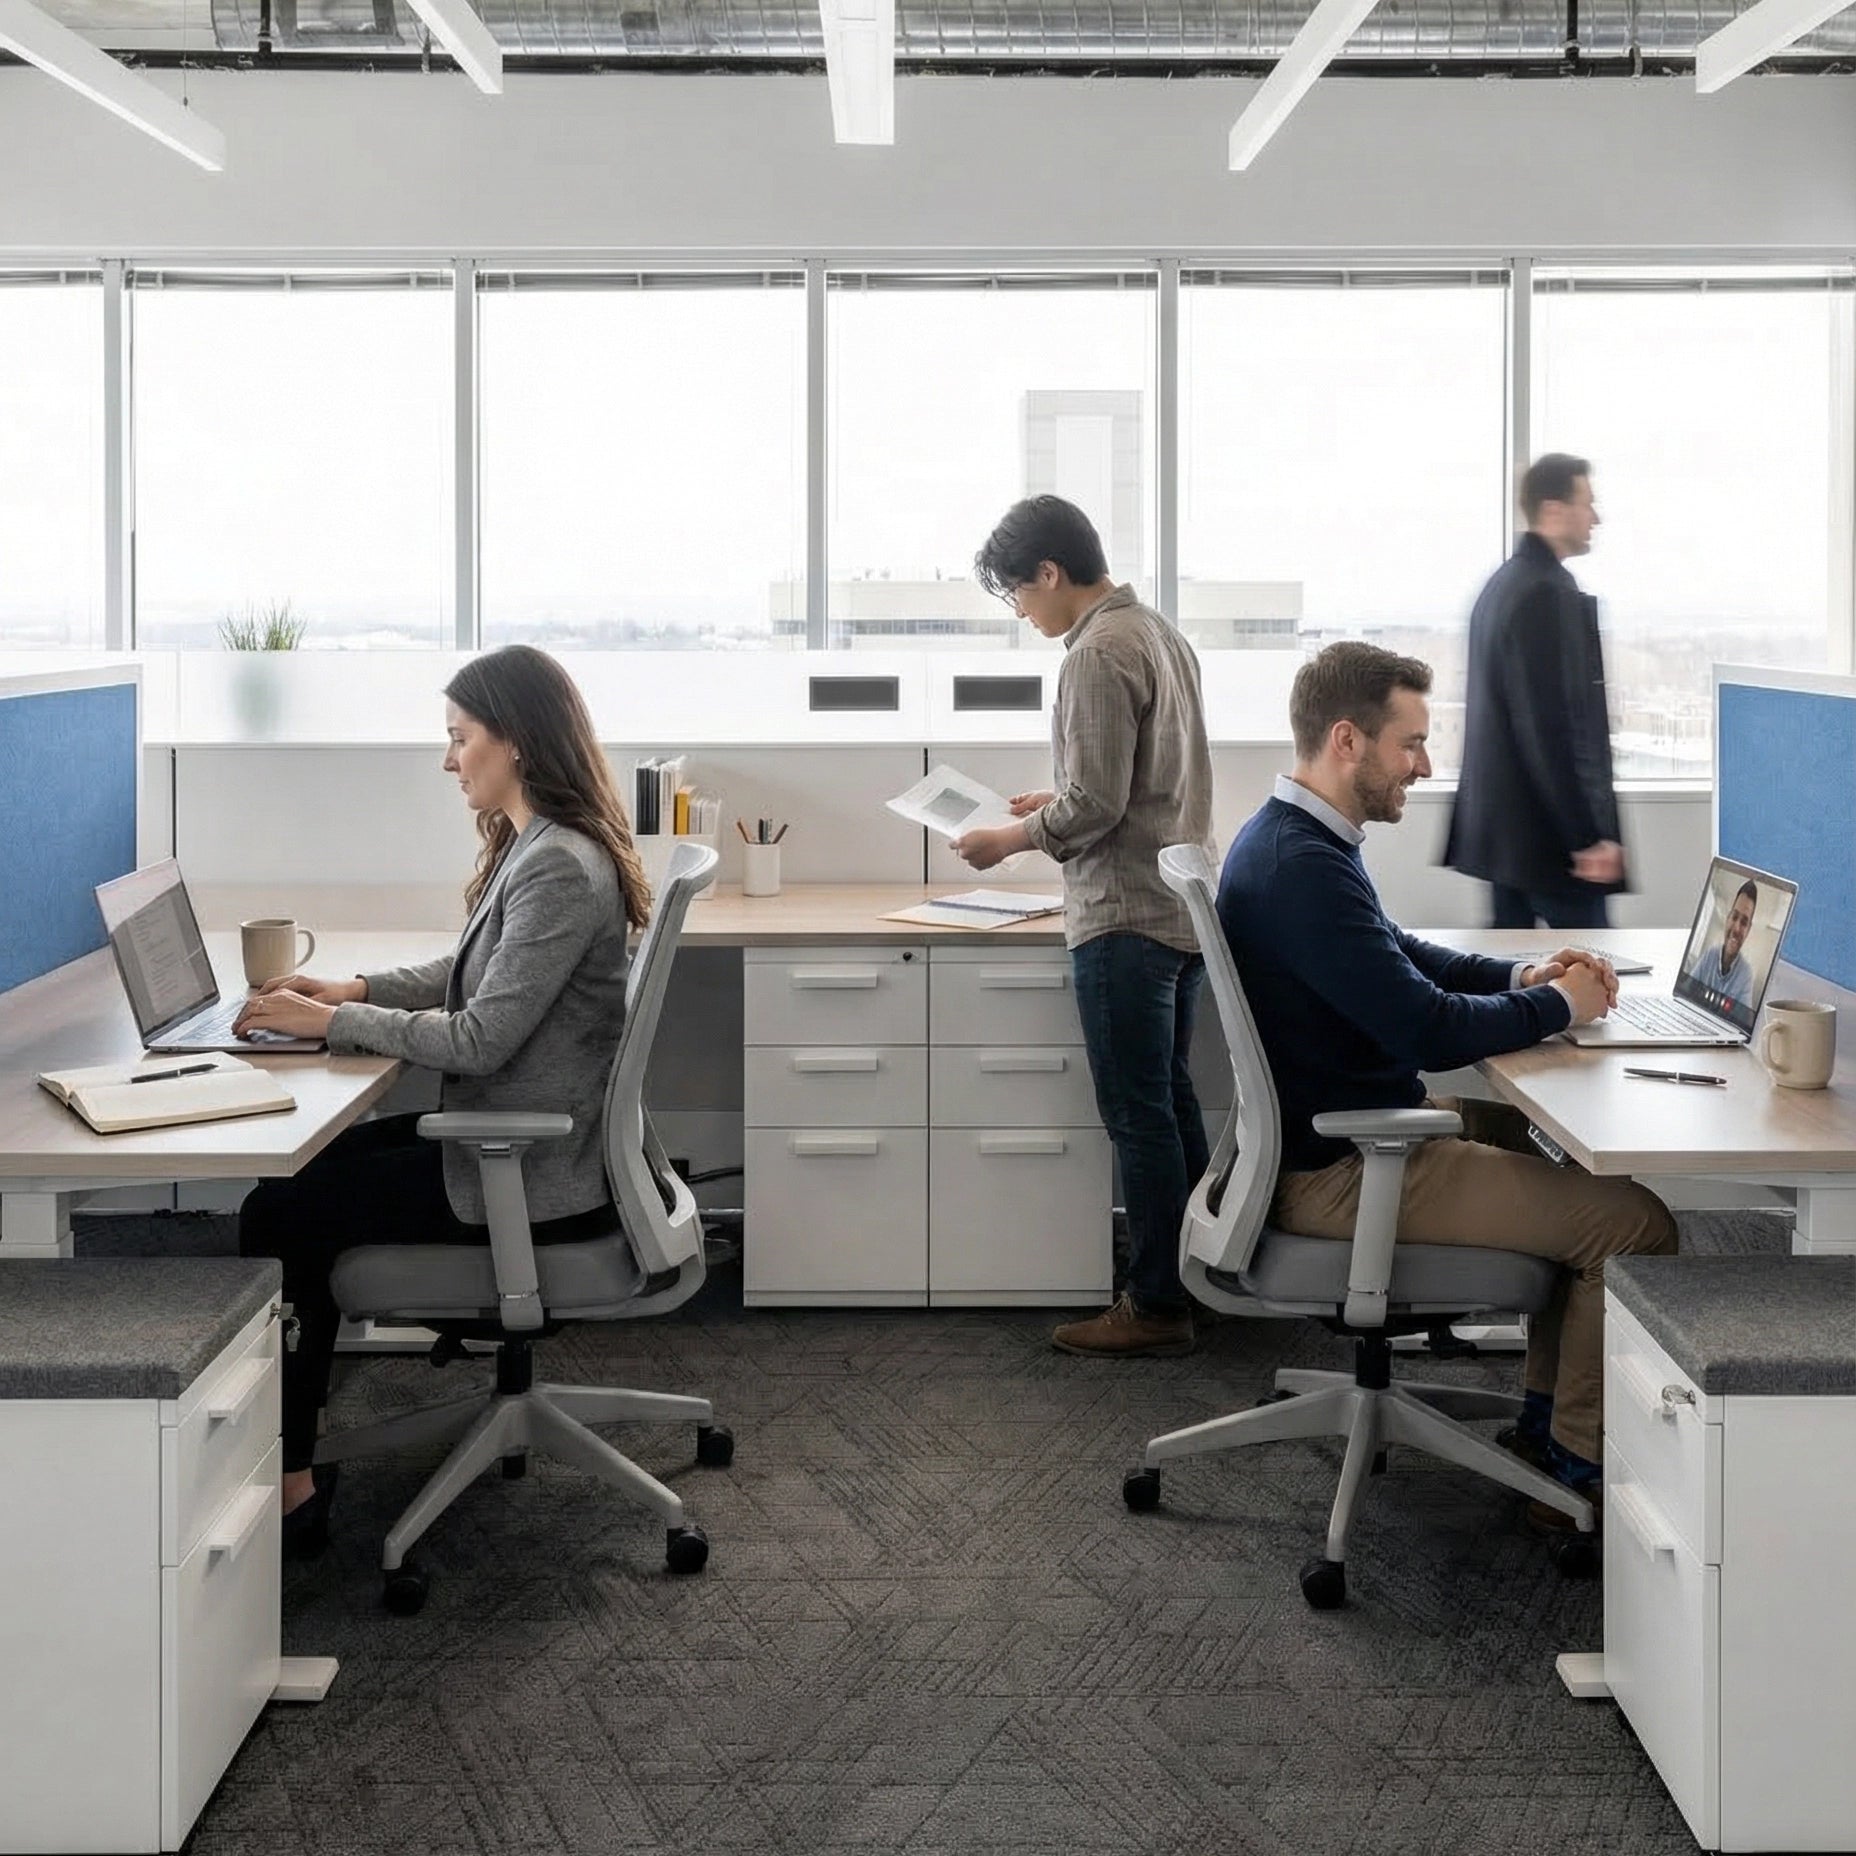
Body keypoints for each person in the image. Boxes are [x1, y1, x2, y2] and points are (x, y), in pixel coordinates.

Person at [1219, 641, 1677, 1518]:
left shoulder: (1295, 838)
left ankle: (1547, 1420)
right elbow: (1423, 1027)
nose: (1425, 768)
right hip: (1348, 1169)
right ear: (1347, 740)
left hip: (1342, 1133)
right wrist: (1564, 1010)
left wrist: (1522, 980)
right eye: (1412, 744)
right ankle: (1574, 1466)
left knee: (1575, 1162)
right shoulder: (1301, 868)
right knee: (1635, 1226)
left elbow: (1399, 956)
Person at [236, 644, 651, 1557]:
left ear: (516, 742)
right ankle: (286, 1448)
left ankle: (294, 1479)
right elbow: (469, 975)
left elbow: (480, 1037)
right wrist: (351, 990)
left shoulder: (556, 867)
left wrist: (327, 1029)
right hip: (520, 1151)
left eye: (459, 738)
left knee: (280, 1213)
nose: (447, 758)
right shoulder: (538, 846)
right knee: (306, 1171)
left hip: (525, 1178)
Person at [955, 495, 1216, 1358]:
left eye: (1017, 595)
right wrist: (1054, 801)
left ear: (1051, 573)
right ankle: (1198, 1275)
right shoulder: (1158, 634)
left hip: (1123, 917)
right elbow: (1139, 783)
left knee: (1139, 1117)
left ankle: (1153, 1306)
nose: (1021, 612)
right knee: (1170, 1104)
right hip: (1176, 911)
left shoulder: (1096, 654)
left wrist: (1011, 839)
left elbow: (1099, 806)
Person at [1444, 453, 1625, 931]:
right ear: (1553, 509)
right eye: (1587, 504)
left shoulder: (1499, 587)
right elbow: (1551, 728)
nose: (1596, 518)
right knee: (1594, 983)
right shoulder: (1546, 592)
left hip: (1506, 841)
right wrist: (1587, 837)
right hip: (1551, 849)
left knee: (1517, 987)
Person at [1689, 878, 1758, 1008]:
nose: (1737, 928)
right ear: (1728, 919)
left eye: (1744, 923)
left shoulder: (1746, 975)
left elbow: (1740, 1023)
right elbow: (1686, 992)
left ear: (1748, 930)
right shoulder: (1710, 954)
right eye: (1735, 917)